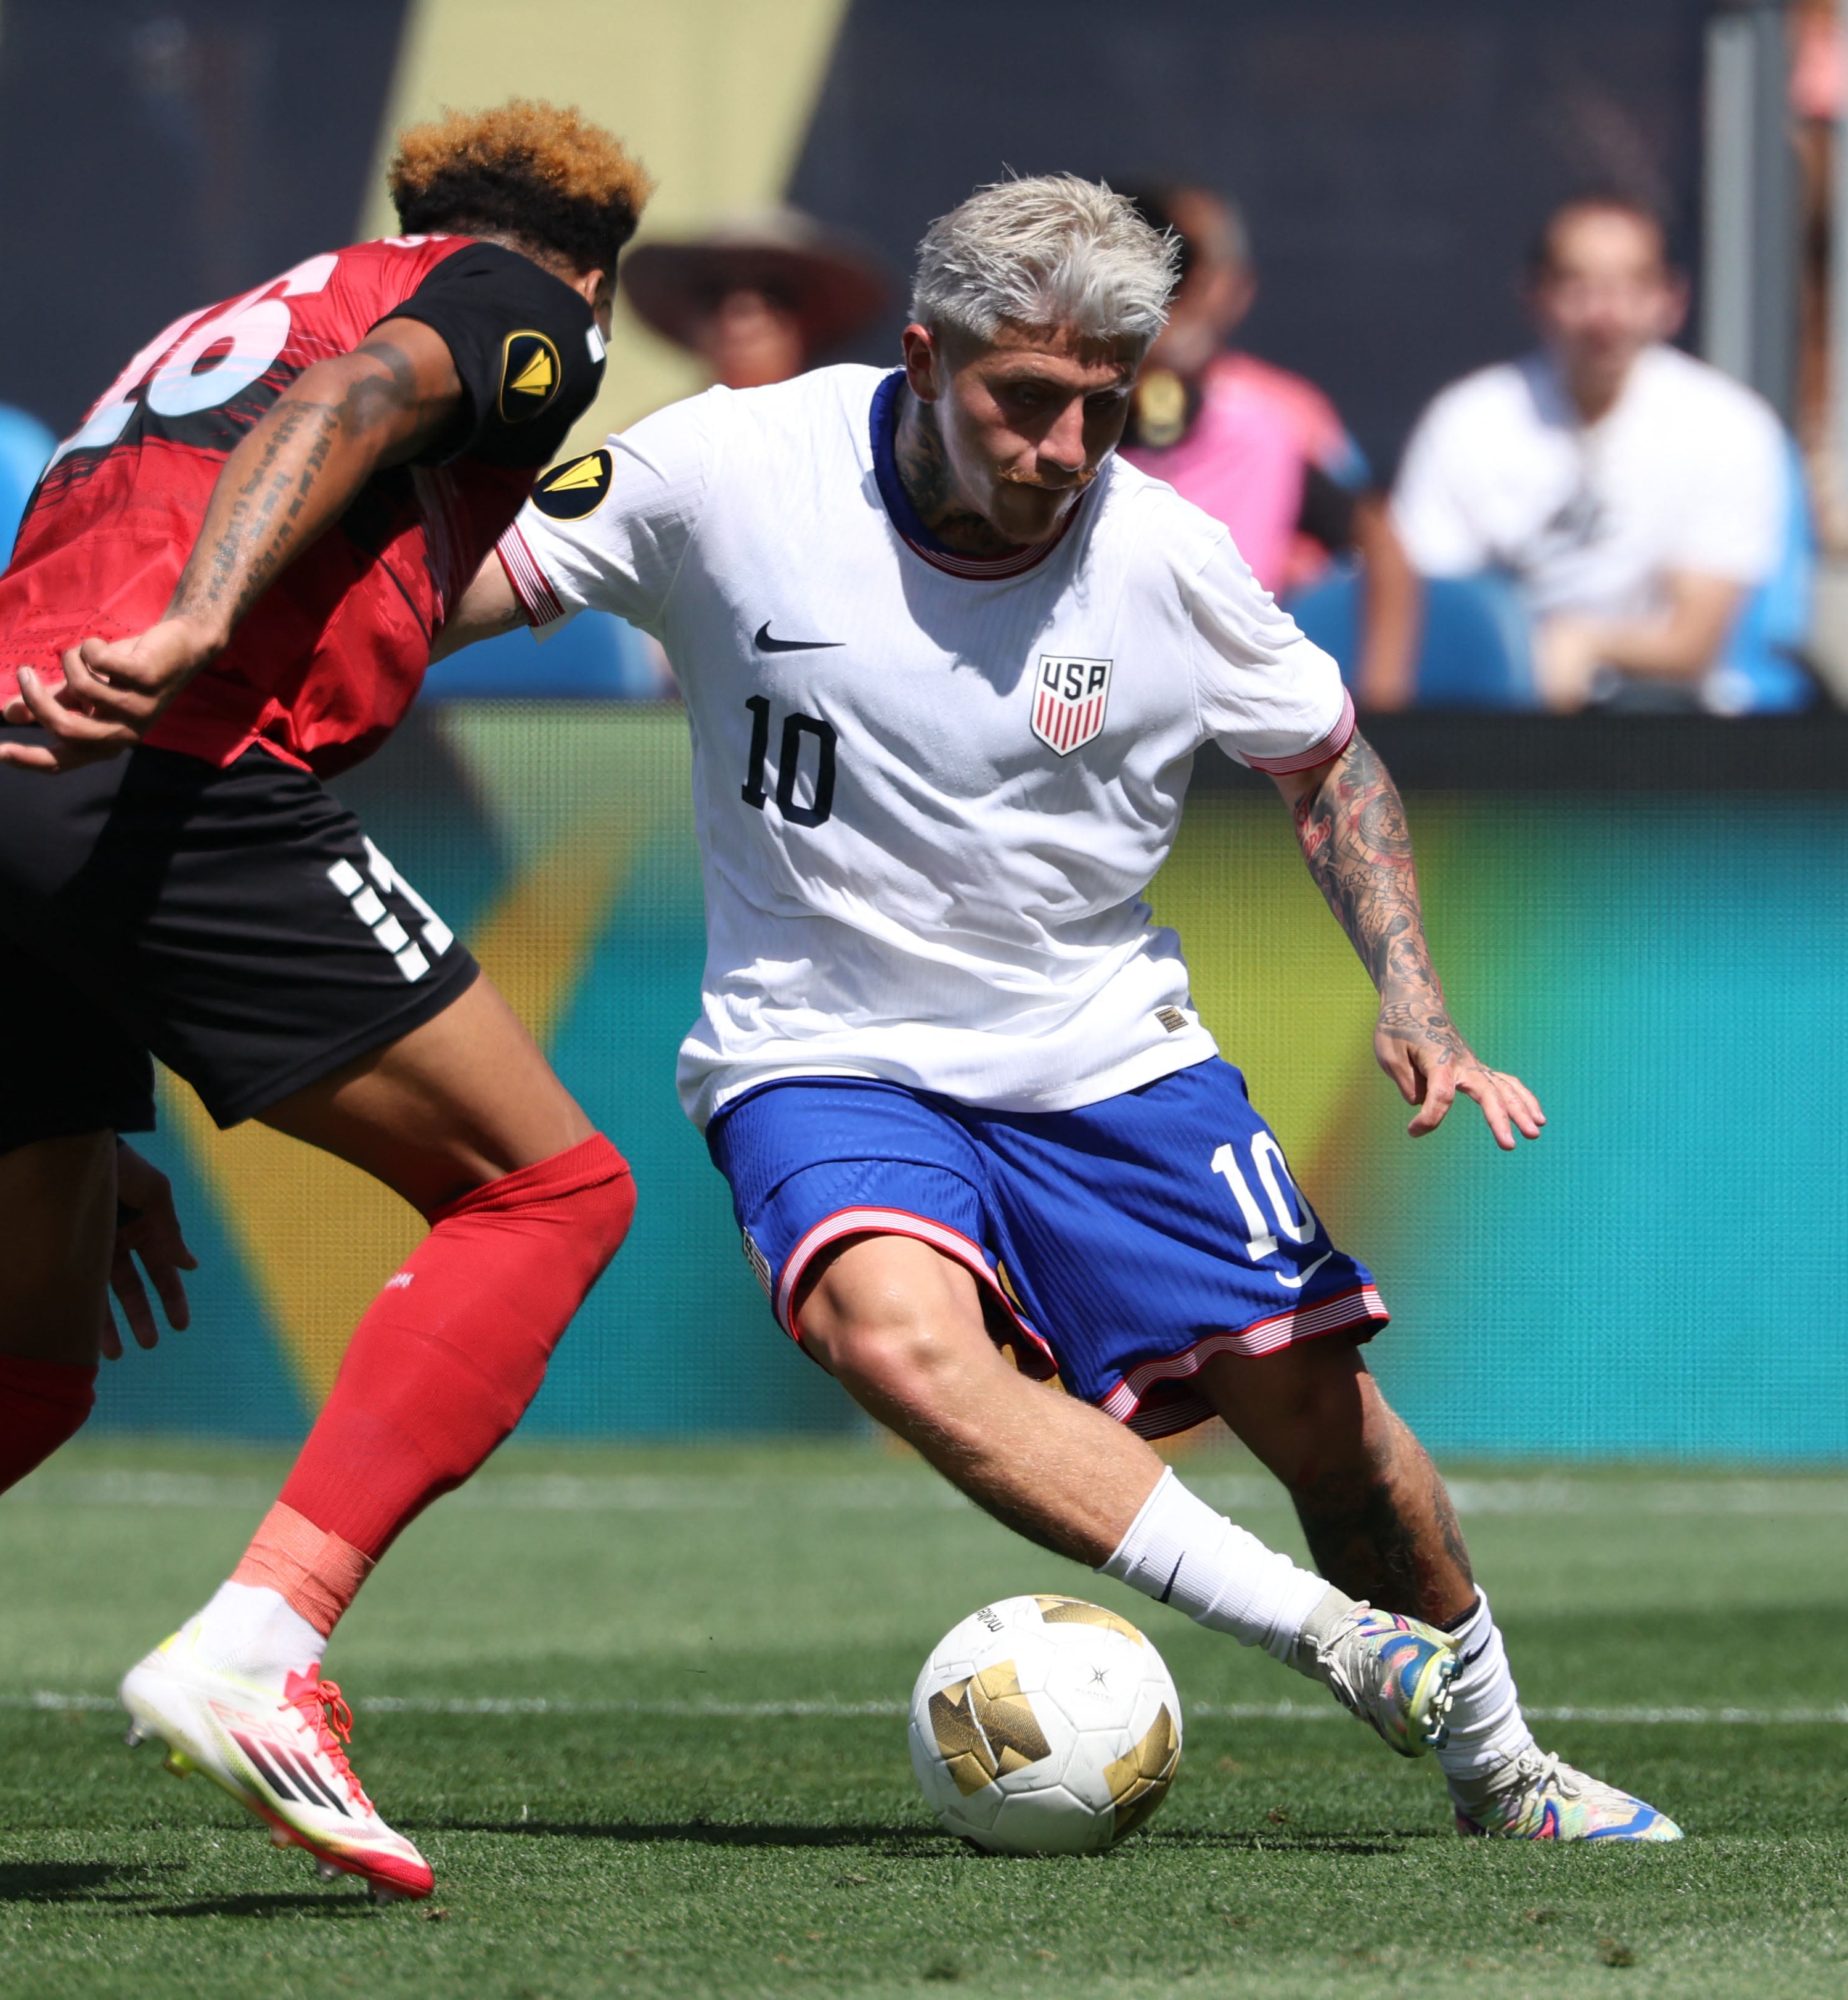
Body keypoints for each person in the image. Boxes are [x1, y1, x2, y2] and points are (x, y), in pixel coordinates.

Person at [467, 174, 1680, 1842]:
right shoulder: (729, 465)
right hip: (821, 1046)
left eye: (1100, 410)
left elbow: (1327, 764)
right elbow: (448, 586)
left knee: (1324, 1419)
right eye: (1021, 402)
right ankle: (1327, 1638)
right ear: (923, 355)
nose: (1059, 447)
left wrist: (1415, 995)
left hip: (1108, 1057)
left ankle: (1505, 1765)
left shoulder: (1166, 560)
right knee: (888, 1332)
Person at [0, 100, 651, 1917]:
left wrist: (94, 1031)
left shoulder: (200, 338)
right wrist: (191, 638)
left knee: (19, 1351)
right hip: (154, 743)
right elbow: (358, 415)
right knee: (551, 1191)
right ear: (585, 271)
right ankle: (262, 1640)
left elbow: (110, 543)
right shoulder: (498, 304)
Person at [1389, 197, 1793, 713]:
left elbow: (1694, 642)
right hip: (1488, 713)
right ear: (1534, 296)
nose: (1605, 315)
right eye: (1578, 287)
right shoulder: (1466, 422)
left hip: (1665, 723)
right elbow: (1429, 606)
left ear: (1672, 301)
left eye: (1631, 287)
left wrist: (1581, 645)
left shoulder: (1730, 427)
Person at [1115, 186, 1420, 710]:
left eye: (1188, 264)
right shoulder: (1068, 404)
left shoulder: (1274, 420)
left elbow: (1371, 535)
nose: (1180, 288)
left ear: (1234, 285)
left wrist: (1377, 711)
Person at [620, 208, 891, 390]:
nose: (740, 320)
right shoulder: (644, 449)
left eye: (775, 294)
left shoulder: (855, 446)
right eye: (713, 293)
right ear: (689, 323)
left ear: (813, 321)